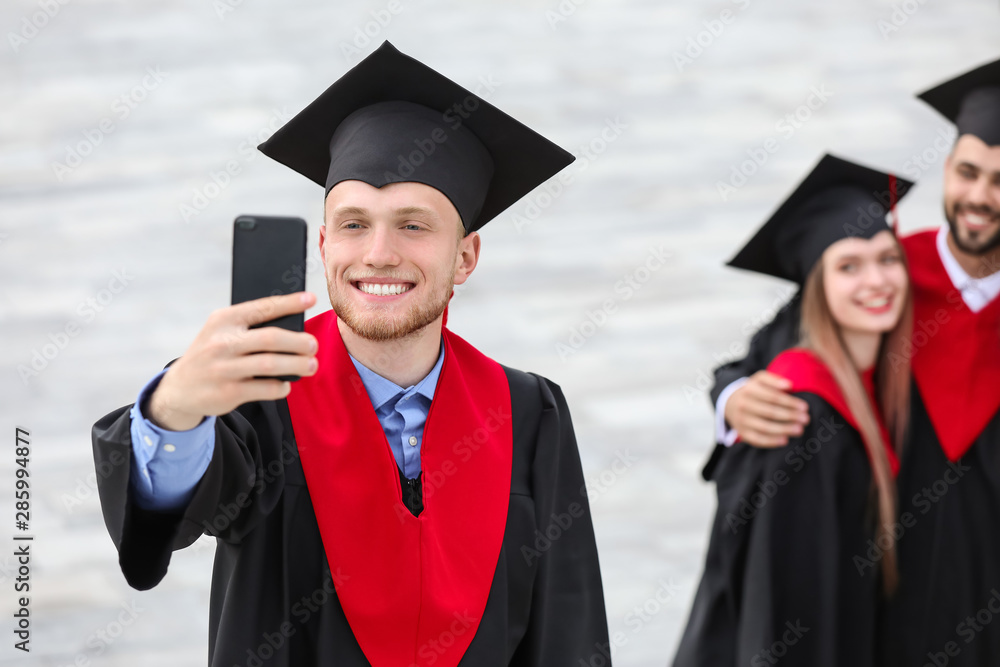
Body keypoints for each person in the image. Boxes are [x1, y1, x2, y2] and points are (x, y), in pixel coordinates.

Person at [91, 42, 611, 667]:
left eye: (414, 226)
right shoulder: (258, 395)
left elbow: (567, 629)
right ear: (324, 243)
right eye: (355, 224)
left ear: (465, 257)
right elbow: (162, 526)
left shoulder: (527, 413)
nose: (379, 254)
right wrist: (175, 407)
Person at [711, 58, 1000, 666]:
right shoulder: (888, 277)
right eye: (968, 173)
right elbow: (762, 360)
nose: (979, 197)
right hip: (884, 610)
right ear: (947, 171)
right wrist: (733, 398)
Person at [673, 154, 915, 667]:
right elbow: (783, 611)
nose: (877, 280)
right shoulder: (798, 422)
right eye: (849, 266)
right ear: (817, 289)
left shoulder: (876, 368)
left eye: (888, 259)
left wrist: (728, 390)